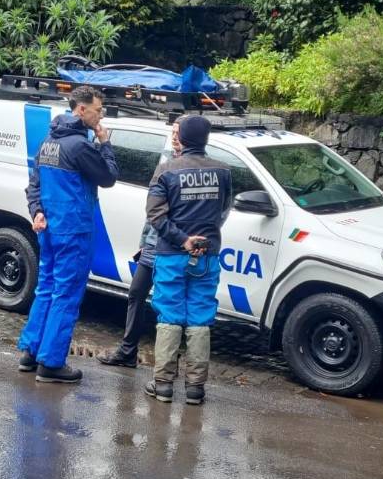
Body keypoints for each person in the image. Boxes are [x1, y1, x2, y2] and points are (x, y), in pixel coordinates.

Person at [16, 86, 119, 383]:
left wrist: (36, 211)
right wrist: (105, 143)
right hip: (73, 230)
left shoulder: (47, 142)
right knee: (67, 294)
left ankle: (31, 352)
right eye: (98, 110)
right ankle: (51, 363)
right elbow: (109, 177)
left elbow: (33, 184)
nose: (101, 116)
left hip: (48, 228)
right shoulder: (80, 146)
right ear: (82, 110)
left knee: (46, 288)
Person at [144, 115, 232, 404]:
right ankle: (195, 388)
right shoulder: (223, 171)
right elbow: (223, 210)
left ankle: (163, 384)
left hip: (172, 254)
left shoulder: (167, 171)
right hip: (207, 254)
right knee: (200, 318)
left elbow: (155, 215)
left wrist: (183, 239)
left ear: (181, 138)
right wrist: (200, 238)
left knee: (169, 316)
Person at [99, 132, 182, 368]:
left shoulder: (192, 167)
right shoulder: (164, 162)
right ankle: (128, 352)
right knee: (136, 293)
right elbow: (152, 212)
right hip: (153, 245)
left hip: (173, 248)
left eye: (179, 132)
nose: (175, 136)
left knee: (169, 304)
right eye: (173, 131)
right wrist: (144, 242)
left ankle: (168, 362)